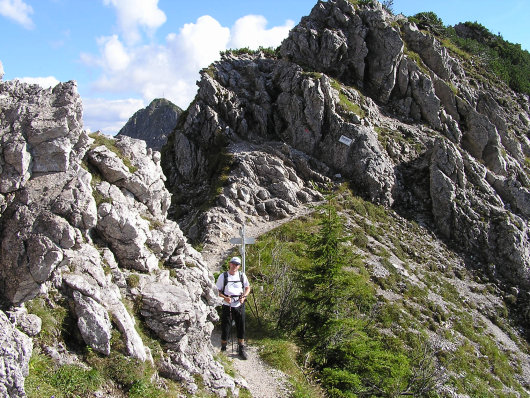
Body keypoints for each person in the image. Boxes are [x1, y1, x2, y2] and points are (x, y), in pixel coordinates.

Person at [216, 256, 251, 359]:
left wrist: (244, 297)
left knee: (241, 327)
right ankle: (223, 349)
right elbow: (217, 291)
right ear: (229, 264)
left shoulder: (242, 276)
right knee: (225, 327)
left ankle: (241, 348)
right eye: (233, 263)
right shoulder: (223, 276)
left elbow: (248, 288)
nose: (234, 266)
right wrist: (225, 298)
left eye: (236, 264)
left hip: (239, 304)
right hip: (227, 305)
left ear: (239, 266)